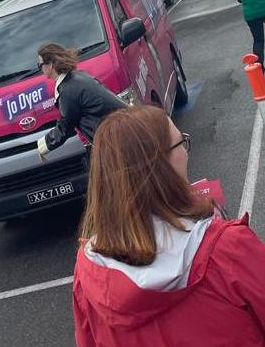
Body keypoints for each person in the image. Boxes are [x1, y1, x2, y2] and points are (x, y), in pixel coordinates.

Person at [73, 104, 265, 347]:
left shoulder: (89, 272)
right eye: (181, 143)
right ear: (160, 167)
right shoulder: (228, 249)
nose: (186, 152)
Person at [36, 43, 126, 159]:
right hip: (121, 128)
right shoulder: (78, 76)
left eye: (40, 65)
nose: (40, 68)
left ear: (50, 64)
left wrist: (43, 146)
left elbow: (66, 126)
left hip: (114, 138)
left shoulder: (67, 90)